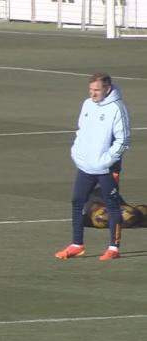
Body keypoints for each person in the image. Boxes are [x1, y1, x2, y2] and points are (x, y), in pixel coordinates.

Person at [55, 72, 131, 261]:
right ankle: (77, 244)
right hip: (85, 166)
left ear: (107, 88)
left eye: (97, 90)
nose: (93, 94)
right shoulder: (87, 104)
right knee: (77, 201)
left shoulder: (117, 108)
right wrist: (77, 153)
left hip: (106, 168)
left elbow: (123, 140)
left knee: (113, 206)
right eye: (90, 90)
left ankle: (114, 248)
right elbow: (81, 131)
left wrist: (107, 160)